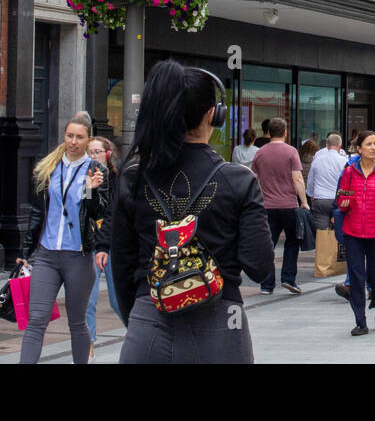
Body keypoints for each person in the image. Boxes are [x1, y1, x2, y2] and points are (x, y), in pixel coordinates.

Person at [109, 61, 271, 363]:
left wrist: (142, 318)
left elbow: (121, 265)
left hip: (148, 322)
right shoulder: (239, 181)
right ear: (213, 114)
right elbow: (260, 267)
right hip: (221, 323)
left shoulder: (133, 176)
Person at [18, 112, 108, 364]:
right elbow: (37, 212)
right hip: (46, 255)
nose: (73, 141)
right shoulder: (49, 166)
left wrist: (90, 191)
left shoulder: (96, 170)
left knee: (77, 322)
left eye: (79, 137)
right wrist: (25, 253)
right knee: (36, 320)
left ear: (88, 140)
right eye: (69, 136)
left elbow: (99, 213)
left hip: (77, 256)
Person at [336, 131, 375, 335]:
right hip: (353, 232)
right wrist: (345, 202)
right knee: (356, 276)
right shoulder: (349, 172)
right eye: (369, 144)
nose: (373, 147)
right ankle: (360, 321)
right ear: (359, 149)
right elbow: (342, 200)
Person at [250, 118, 310, 295]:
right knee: (292, 242)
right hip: (289, 205)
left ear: (267, 133)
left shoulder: (260, 153)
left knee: (269, 244)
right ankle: (288, 278)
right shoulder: (291, 152)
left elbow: (254, 178)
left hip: (267, 206)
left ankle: (267, 284)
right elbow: (297, 178)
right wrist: (304, 201)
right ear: (285, 132)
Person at [86, 135, 121, 355]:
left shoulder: (118, 179)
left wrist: (105, 246)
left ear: (107, 155)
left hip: (110, 246)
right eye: (89, 152)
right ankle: (86, 352)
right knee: (87, 303)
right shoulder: (83, 178)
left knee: (118, 302)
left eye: (97, 152)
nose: (93, 157)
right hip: (89, 245)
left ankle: (141, 338)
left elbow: (112, 214)